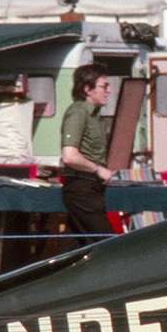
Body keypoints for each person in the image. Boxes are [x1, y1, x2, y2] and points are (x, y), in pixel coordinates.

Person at [59, 64, 116, 251]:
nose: (109, 90)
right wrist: (99, 170)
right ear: (87, 89)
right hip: (81, 189)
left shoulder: (96, 117)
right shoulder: (78, 113)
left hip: (91, 189)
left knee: (72, 248)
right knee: (109, 244)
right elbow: (69, 156)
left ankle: (60, 278)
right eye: (104, 86)